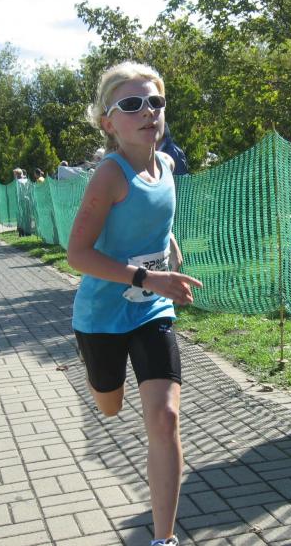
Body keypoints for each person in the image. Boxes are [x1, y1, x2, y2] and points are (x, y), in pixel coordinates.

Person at [66, 61, 202, 546]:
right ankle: (98, 376)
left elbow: (156, 219)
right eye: (131, 104)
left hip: (151, 310)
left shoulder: (167, 165)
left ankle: (163, 539)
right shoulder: (109, 174)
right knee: (109, 405)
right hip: (101, 317)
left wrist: (170, 250)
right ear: (109, 122)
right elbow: (77, 254)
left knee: (165, 419)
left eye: (155, 102)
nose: (147, 111)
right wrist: (149, 275)